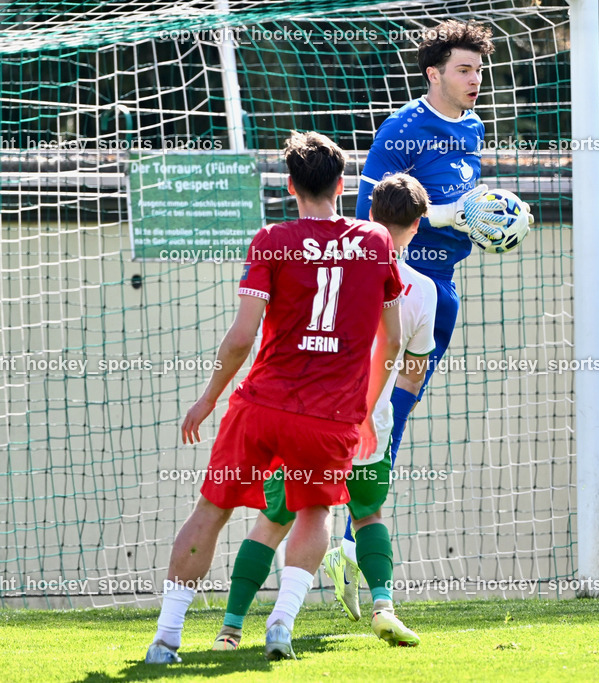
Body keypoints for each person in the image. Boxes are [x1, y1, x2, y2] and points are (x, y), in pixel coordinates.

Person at [145, 130, 403, 664]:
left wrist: (209, 398)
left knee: (211, 510)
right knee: (313, 512)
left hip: (261, 405)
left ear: (290, 186)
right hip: (332, 418)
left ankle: (167, 638)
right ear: (341, 184)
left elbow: (241, 337)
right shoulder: (377, 241)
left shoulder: (271, 239)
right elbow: (393, 340)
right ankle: (281, 622)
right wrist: (366, 408)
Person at [328, 19, 533, 615]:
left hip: (442, 295)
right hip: (394, 288)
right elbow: (370, 216)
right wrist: (447, 217)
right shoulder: (401, 130)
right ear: (434, 74)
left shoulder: (473, 127)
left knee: (396, 416)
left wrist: (487, 215)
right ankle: (322, 527)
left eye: (479, 70)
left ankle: (348, 540)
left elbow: (462, 197)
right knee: (362, 413)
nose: (475, 81)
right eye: (464, 70)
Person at [212, 173, 436, 650]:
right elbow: (411, 371)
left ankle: (231, 628)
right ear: (418, 225)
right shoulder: (426, 290)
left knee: (274, 521)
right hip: (368, 424)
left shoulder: (333, 258)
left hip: (308, 414)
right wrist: (378, 416)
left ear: (368, 213)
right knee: (370, 514)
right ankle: (383, 606)